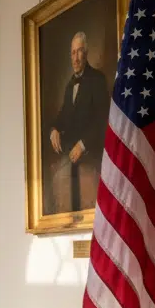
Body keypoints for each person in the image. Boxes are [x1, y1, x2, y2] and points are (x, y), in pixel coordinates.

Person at [48, 31, 108, 213]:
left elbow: (103, 120)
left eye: (80, 51)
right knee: (58, 182)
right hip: (71, 156)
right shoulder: (69, 86)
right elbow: (63, 116)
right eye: (73, 53)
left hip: (91, 154)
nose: (76, 57)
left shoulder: (97, 79)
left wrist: (83, 145)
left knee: (90, 202)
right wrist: (54, 129)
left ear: (87, 53)